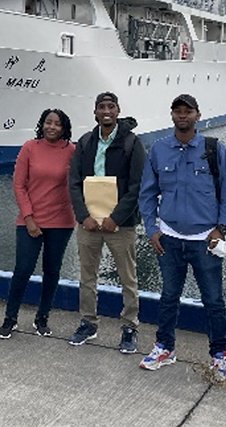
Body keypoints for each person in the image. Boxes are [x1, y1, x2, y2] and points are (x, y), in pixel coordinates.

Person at [137, 94, 226, 383]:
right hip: (168, 238)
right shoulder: (158, 149)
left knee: (214, 300)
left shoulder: (213, 148)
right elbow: (147, 193)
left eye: (188, 111)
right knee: (169, 297)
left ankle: (219, 356)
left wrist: (220, 228)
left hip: (205, 240)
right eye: (178, 111)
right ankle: (164, 347)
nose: (183, 116)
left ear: (197, 115)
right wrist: (151, 228)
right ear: (172, 116)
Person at [67, 92, 145, 353]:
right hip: (89, 223)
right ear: (95, 112)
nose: (106, 111)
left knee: (128, 278)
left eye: (111, 106)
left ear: (118, 110)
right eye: (102, 107)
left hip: (120, 225)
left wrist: (116, 218)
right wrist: (83, 216)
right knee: (87, 276)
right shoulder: (86, 142)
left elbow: (136, 187)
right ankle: (88, 322)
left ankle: (130, 327)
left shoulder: (133, 144)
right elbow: (74, 182)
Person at [0, 109, 76, 339]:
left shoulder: (71, 151)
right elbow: (19, 185)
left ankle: (42, 318)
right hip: (30, 220)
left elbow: (78, 182)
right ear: (42, 124)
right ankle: (10, 319)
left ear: (64, 128)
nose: (51, 127)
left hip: (61, 221)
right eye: (48, 122)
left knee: (52, 271)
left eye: (57, 124)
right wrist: (29, 218)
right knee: (22, 270)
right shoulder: (29, 147)